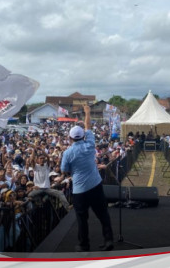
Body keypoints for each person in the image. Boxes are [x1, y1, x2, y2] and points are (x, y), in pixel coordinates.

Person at [61, 105, 114, 252]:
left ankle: (84, 244)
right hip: (95, 184)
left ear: (70, 138)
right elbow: (88, 125)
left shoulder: (68, 153)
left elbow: (64, 169)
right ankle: (108, 240)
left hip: (79, 189)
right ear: (83, 136)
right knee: (103, 214)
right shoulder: (90, 144)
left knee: (82, 218)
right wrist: (88, 112)